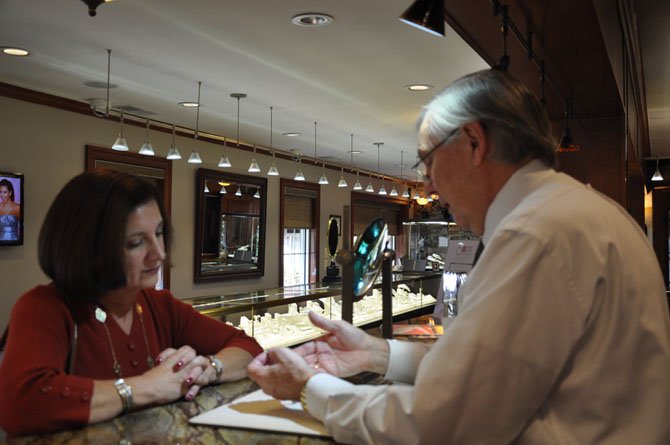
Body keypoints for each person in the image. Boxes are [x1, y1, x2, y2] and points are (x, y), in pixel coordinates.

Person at [248, 69, 670, 444]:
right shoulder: (584, 212)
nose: (428, 183)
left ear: (473, 142)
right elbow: (496, 371)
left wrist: (311, 388)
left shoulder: (535, 234)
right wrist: (378, 354)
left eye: (426, 160)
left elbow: (445, 423)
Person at [0, 169, 263, 436]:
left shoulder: (159, 305)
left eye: (159, 233)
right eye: (137, 242)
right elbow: (21, 402)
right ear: (91, 249)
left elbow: (249, 348)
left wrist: (206, 370)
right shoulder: (44, 307)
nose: (158, 253)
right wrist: (148, 386)